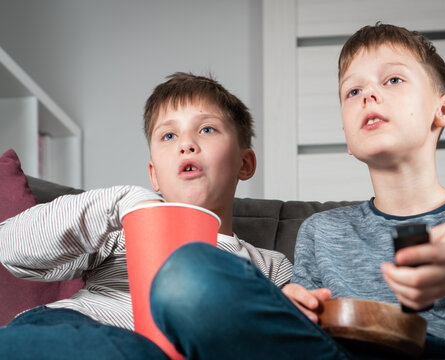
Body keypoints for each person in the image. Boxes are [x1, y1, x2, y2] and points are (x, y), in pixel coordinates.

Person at [149, 24, 445, 359]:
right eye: (353, 92)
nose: (369, 95)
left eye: (393, 80)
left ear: (444, 108)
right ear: (348, 138)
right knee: (184, 275)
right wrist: (290, 309)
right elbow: (305, 327)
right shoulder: (321, 231)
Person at [0, 72, 292, 359]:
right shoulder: (121, 229)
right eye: (168, 135)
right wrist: (124, 203)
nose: (186, 144)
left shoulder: (269, 266)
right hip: (71, 329)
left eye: (206, 129)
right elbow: (10, 248)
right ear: (154, 176)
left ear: (245, 162)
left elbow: (290, 338)